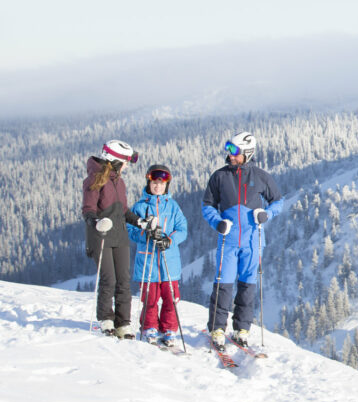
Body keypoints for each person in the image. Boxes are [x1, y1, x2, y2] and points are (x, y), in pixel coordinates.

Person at [202, 131, 283, 348]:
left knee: (247, 286)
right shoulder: (219, 176)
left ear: (247, 153)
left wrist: (267, 214)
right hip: (228, 239)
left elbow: (278, 201)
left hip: (253, 241)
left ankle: (242, 329)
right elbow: (207, 205)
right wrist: (217, 222)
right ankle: (218, 328)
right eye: (229, 149)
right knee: (223, 285)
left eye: (235, 151)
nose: (230, 155)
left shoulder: (261, 176)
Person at [82, 139, 158, 338]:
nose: (126, 166)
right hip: (101, 236)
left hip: (119, 236)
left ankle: (123, 323)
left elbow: (123, 211)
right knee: (109, 279)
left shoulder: (119, 181)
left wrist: (140, 222)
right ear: (115, 161)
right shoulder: (94, 179)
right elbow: (88, 210)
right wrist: (96, 223)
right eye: (125, 162)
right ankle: (106, 320)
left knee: (123, 280)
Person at [127, 164, 188, 346]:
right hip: (148, 261)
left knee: (171, 298)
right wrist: (145, 232)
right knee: (150, 299)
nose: (157, 187)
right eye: (154, 183)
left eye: (161, 184)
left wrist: (169, 240)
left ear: (166, 186)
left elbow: (182, 229)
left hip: (169, 261)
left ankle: (169, 329)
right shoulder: (140, 207)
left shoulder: (173, 206)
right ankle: (149, 327)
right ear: (149, 183)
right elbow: (130, 230)